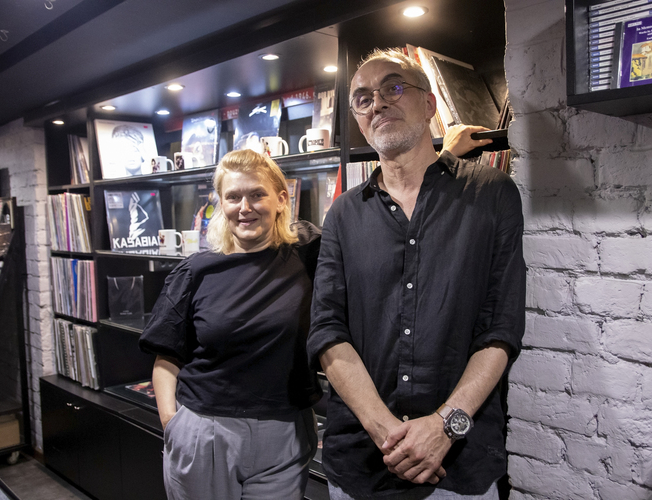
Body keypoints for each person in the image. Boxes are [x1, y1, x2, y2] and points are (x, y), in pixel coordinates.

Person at [306, 48, 526, 499]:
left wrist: (445, 426)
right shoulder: (343, 214)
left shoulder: (491, 194)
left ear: (429, 105)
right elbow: (327, 331)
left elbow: (500, 329)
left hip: (458, 465)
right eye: (363, 98)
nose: (377, 103)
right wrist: (388, 433)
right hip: (363, 462)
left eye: (393, 87)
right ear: (359, 120)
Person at [139, 148, 322, 500]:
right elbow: (166, 357)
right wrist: (171, 423)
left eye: (257, 195)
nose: (245, 207)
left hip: (286, 433)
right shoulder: (195, 270)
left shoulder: (308, 253)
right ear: (220, 203)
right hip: (205, 431)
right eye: (233, 197)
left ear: (282, 199)